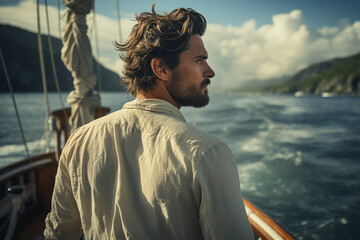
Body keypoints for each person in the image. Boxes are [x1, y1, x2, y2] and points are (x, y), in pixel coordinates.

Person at [44, 5, 254, 240]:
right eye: (200, 60)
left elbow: (59, 234)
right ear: (161, 68)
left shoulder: (79, 141)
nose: (210, 71)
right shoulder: (206, 153)